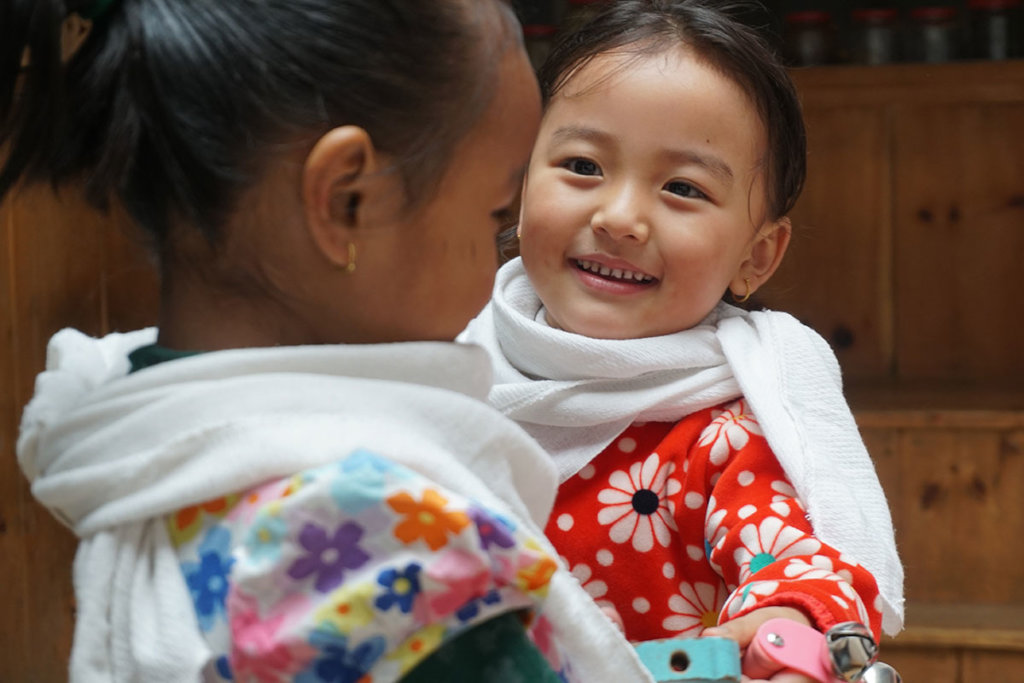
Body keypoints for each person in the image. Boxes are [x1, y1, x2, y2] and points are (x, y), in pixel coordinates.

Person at [2, 1, 654, 682]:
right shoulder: (378, 542)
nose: (498, 254)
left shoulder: (135, 429)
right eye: (493, 211)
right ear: (348, 199)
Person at [460, 1, 904, 680]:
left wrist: (788, 623)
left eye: (681, 187)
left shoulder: (725, 435)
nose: (620, 218)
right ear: (517, 186)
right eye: (582, 165)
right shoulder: (449, 372)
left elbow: (792, 559)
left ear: (756, 256)